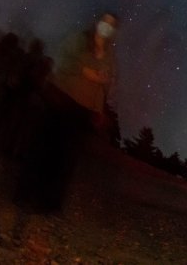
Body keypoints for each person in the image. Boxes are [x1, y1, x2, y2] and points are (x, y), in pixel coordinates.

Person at [15, 12, 119, 212]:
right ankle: (24, 194)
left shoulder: (110, 56)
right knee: (43, 147)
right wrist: (84, 71)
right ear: (98, 22)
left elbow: (103, 87)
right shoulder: (80, 38)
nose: (107, 26)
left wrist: (98, 110)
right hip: (61, 98)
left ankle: (49, 204)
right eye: (105, 22)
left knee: (66, 158)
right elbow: (62, 58)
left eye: (111, 25)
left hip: (82, 110)